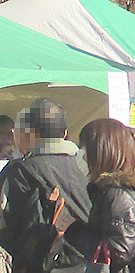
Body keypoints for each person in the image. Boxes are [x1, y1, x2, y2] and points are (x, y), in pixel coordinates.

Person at [0, 99, 91, 272]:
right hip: (80, 264)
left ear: (29, 133)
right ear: (64, 133)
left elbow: (9, 226)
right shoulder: (83, 167)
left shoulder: (21, 170)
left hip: (36, 265)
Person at [79, 118, 135, 273]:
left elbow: (121, 251)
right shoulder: (114, 190)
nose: (84, 157)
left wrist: (77, 234)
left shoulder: (118, 195)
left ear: (102, 153)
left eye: (87, 150)